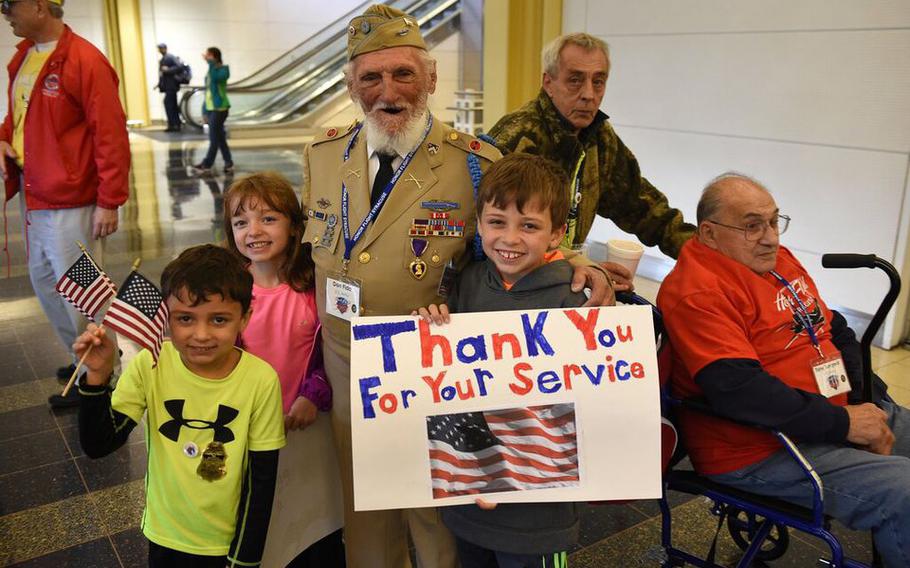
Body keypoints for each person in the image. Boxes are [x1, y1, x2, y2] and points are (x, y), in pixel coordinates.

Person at [301, 5, 612, 567]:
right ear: (351, 84)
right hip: (348, 358)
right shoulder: (322, 155)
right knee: (364, 501)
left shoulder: (473, 163)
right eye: (370, 77)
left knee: (436, 502)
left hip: (433, 359)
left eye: (403, 74)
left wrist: (575, 263)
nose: (387, 91)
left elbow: (512, 233)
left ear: (431, 80)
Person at [657, 173, 910, 566]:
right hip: (759, 448)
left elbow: (833, 326)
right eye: (752, 226)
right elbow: (740, 390)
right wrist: (845, 423)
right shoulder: (697, 291)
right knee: (904, 491)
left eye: (775, 221)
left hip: (825, 414)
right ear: (708, 234)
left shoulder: (775, 262)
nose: (771, 237)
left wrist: (859, 398)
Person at [415, 153, 584, 568]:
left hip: (539, 513)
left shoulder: (575, 301)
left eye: (529, 225)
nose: (510, 238)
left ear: (557, 234)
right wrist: (433, 328)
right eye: (496, 222)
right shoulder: (468, 284)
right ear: (478, 225)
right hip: (469, 497)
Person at [76, 244, 286, 567]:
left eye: (219, 319)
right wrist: (97, 377)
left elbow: (261, 482)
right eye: (185, 319)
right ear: (166, 317)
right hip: (165, 535)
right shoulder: (151, 364)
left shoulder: (261, 381)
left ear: (244, 318)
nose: (201, 335)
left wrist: (245, 559)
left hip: (224, 544)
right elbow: (99, 443)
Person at [489, 32, 696, 292]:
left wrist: (708, 254)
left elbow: (645, 209)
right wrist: (577, 264)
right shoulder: (517, 136)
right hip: (509, 287)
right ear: (548, 83)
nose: (589, 94)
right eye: (575, 80)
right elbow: (492, 233)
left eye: (598, 82)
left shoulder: (599, 136)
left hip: (565, 280)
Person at [0, 0, 130, 408]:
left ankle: (101, 371)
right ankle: (80, 354)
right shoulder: (24, 57)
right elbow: (16, 118)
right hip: (35, 192)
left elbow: (110, 134)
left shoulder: (84, 60)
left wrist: (109, 200)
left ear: (40, 7)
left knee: (81, 292)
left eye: (10, 4)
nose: (5, 12)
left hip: (71, 200)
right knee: (45, 284)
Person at [223, 172, 345, 567]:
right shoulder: (230, 293)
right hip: (252, 428)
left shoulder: (314, 288)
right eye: (241, 222)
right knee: (264, 516)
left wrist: (315, 393)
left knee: (314, 517)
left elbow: (334, 350)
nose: (254, 231)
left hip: (307, 427)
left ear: (295, 227)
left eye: (268, 219)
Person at [193, 46, 233, 175]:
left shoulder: (223, 70)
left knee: (214, 137)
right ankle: (228, 162)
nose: (206, 57)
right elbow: (208, 92)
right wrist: (204, 110)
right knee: (220, 137)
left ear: (215, 57)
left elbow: (216, 78)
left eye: (208, 55)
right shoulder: (210, 71)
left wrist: (211, 64)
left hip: (220, 108)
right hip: (211, 109)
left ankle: (207, 163)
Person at [156, 42, 183, 132]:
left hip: (172, 86)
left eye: (161, 48)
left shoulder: (170, 57)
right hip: (167, 86)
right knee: (170, 105)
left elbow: (179, 66)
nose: (160, 50)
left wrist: (168, 70)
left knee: (170, 104)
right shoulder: (163, 59)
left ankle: (175, 124)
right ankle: (173, 124)